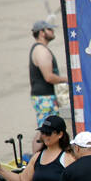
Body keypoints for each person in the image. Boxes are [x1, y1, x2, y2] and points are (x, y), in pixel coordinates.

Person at [29, 20, 68, 154]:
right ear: (41, 32)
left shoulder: (40, 49)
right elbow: (49, 77)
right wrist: (68, 80)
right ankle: (35, 161)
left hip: (44, 95)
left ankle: (37, 159)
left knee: (45, 128)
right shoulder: (41, 51)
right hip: (44, 96)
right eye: (50, 29)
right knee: (44, 129)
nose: (53, 32)